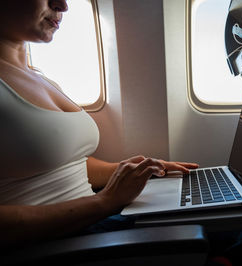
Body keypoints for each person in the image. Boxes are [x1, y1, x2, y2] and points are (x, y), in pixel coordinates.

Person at [0, 0, 199, 247]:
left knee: (226, 214)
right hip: (57, 242)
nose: (62, 6)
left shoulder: (39, 77)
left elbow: (61, 164)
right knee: (228, 230)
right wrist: (105, 201)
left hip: (94, 218)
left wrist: (131, 172)